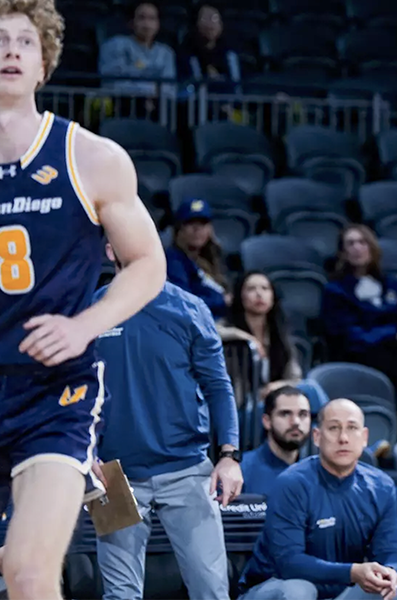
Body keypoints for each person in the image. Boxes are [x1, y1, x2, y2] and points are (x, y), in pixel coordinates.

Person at [0, 0, 166, 600]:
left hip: (53, 392)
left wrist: (82, 325)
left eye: (24, 41)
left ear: (44, 62)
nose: (10, 50)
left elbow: (148, 263)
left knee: (29, 572)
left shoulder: (90, 156)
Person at [93, 241, 242, 600]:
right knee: (119, 595)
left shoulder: (189, 308)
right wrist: (86, 455)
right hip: (112, 473)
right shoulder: (89, 310)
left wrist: (229, 455)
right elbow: (73, 390)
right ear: (111, 251)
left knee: (212, 591)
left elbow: (219, 387)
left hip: (187, 468)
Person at [238, 399, 397, 600]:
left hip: (341, 592)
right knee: (299, 590)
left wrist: (390, 571)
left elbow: (390, 551)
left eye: (352, 428)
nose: (343, 438)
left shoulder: (382, 486)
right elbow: (288, 563)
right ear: (317, 436)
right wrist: (353, 572)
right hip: (273, 587)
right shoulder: (292, 483)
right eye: (334, 428)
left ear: (364, 437)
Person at [321, 223, 397, 428]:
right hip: (356, 354)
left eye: (362, 242)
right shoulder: (335, 291)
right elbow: (351, 337)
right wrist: (396, 335)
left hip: (391, 352)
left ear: (372, 247)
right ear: (342, 252)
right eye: (350, 243)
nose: (357, 248)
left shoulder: (391, 284)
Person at [221, 271, 303, 386]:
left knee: (310, 387)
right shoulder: (229, 328)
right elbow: (210, 332)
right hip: (244, 399)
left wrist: (275, 387)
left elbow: (295, 378)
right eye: (251, 289)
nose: (259, 294)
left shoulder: (279, 332)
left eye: (265, 288)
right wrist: (246, 338)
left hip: (276, 398)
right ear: (240, 295)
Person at [97, 0, 177, 99]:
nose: (147, 24)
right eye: (141, 18)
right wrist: (148, 95)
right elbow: (113, 84)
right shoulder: (115, 45)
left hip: (157, 108)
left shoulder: (166, 53)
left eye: (152, 19)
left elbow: (169, 89)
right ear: (131, 22)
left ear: (158, 24)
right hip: (122, 105)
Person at [241, 385, 312, 496]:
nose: (296, 422)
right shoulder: (241, 471)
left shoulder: (321, 471)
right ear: (267, 421)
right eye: (285, 414)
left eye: (303, 414)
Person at [165, 198, 230, 317]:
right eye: (191, 223)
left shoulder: (213, 257)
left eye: (203, 224)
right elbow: (183, 302)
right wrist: (222, 301)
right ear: (179, 229)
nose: (197, 230)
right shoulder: (174, 260)